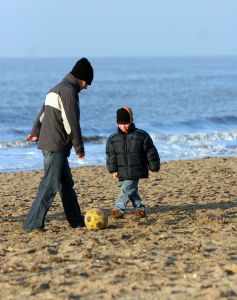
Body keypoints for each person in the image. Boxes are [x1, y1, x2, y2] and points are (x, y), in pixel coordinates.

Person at [23, 57, 94, 232]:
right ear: (82, 78)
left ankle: (76, 221)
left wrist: (35, 132)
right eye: (87, 83)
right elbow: (71, 122)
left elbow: (42, 114)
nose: (86, 87)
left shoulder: (54, 89)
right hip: (56, 146)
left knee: (65, 184)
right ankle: (32, 224)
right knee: (49, 185)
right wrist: (79, 147)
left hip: (48, 144)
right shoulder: (68, 91)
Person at [106, 107, 160, 218]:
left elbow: (151, 151)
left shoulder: (141, 135)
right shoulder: (112, 138)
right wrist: (113, 170)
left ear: (131, 121)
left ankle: (119, 208)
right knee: (131, 190)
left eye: (126, 123)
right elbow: (111, 155)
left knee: (127, 189)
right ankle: (139, 208)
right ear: (117, 123)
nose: (124, 126)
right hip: (121, 171)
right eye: (121, 124)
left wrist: (154, 166)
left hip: (136, 169)